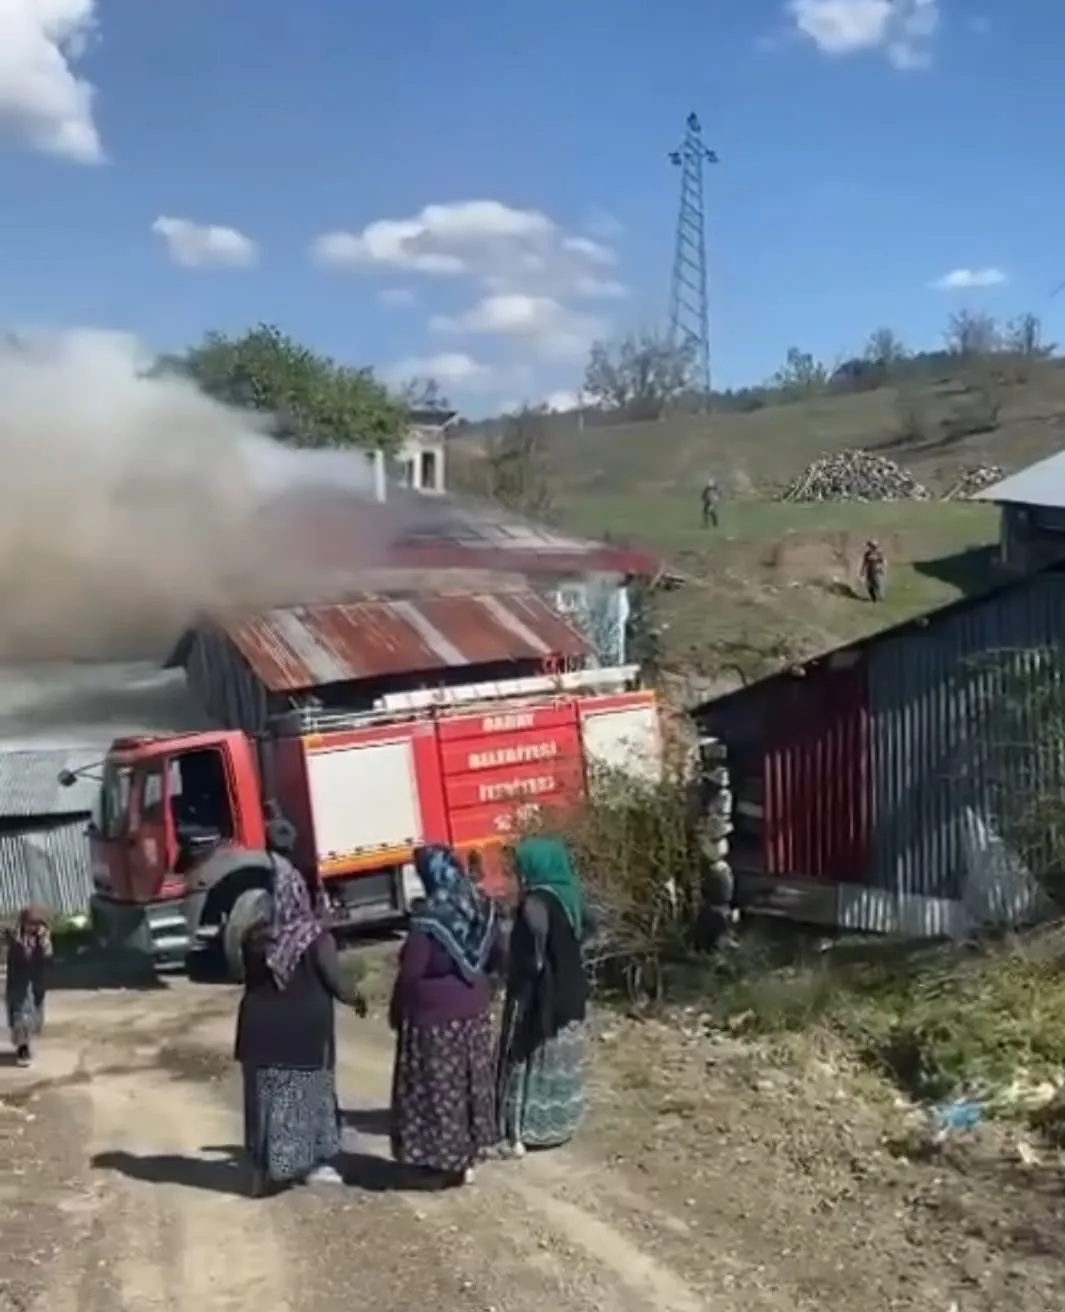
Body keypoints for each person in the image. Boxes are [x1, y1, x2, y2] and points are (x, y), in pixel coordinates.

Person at [234, 819, 368, 1197]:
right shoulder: (314, 938)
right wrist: (358, 999)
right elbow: (337, 983)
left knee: (266, 1104)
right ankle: (311, 1165)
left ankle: (264, 1169)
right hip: (304, 1036)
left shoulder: (254, 939)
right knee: (310, 1100)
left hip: (259, 1035)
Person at [389, 844, 503, 1189]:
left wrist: (396, 1008)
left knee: (439, 1092)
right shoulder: (480, 908)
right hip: (474, 1013)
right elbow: (499, 956)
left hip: (435, 1020)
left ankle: (444, 1165)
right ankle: (468, 1155)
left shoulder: (429, 919)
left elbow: (411, 971)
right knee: (469, 1084)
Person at [497, 836, 592, 1155]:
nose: (519, 874)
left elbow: (534, 957)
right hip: (572, 991)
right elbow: (589, 931)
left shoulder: (535, 903)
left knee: (527, 1057)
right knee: (561, 1056)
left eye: (521, 867)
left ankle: (522, 1130)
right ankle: (561, 1125)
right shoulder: (570, 895)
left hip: (540, 995)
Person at [5, 906, 52, 1068]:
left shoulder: (43, 938)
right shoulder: (16, 937)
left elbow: (48, 955)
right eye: (30, 923)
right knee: (21, 1014)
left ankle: (26, 1043)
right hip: (19, 982)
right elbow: (15, 953)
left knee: (34, 1016)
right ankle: (22, 1048)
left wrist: (44, 941)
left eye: (36, 924)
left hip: (36, 983)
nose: (32, 927)